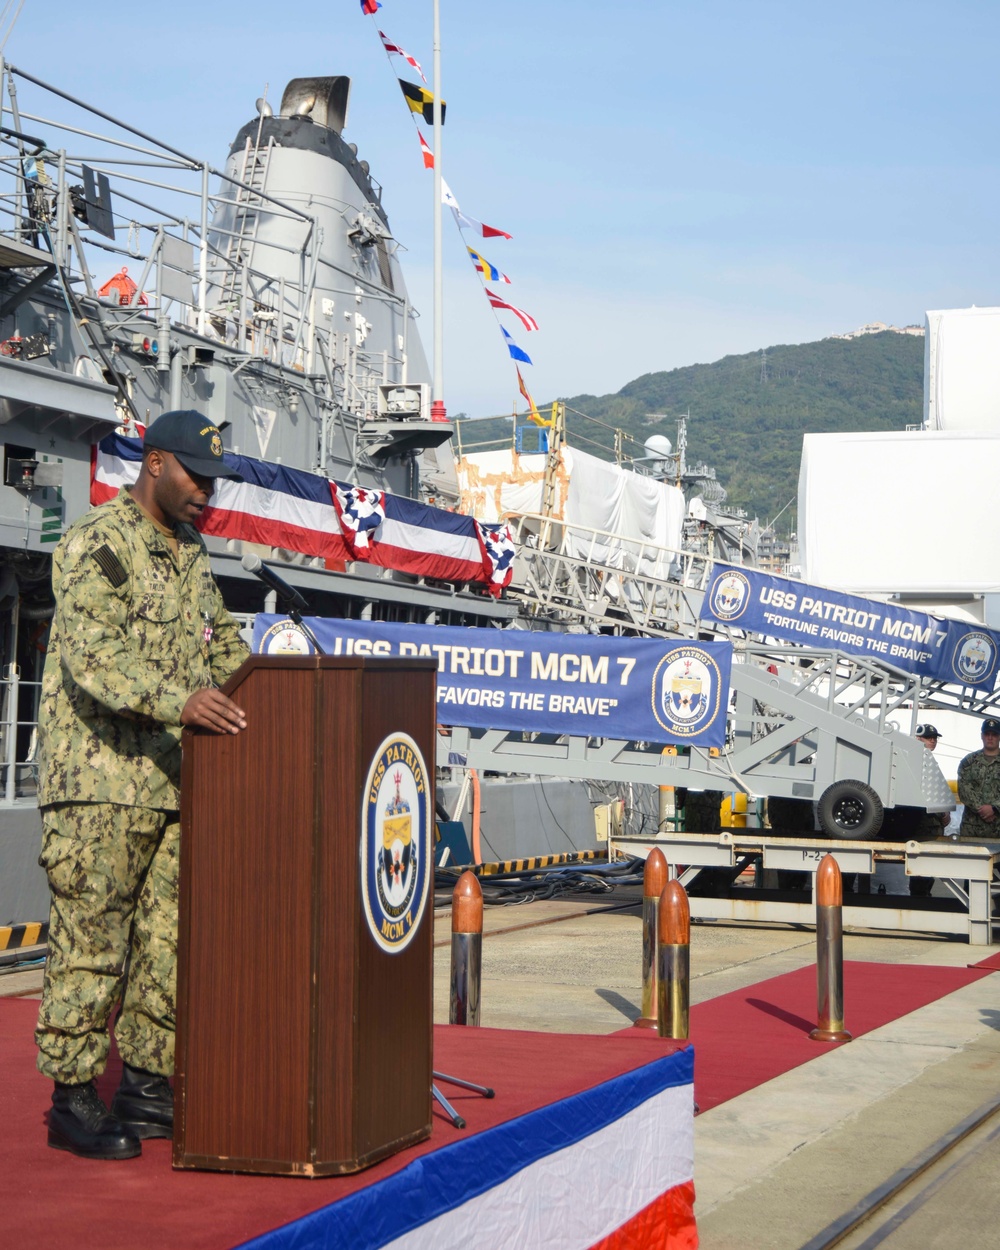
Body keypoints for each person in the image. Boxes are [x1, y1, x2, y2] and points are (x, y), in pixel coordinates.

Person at [34, 410, 250, 1160]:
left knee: (167, 945)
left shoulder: (191, 553)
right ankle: (72, 1098)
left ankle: (148, 1088)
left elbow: (223, 644)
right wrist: (180, 702)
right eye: (196, 475)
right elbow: (92, 654)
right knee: (93, 941)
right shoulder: (96, 540)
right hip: (98, 782)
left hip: (171, 783)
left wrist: (277, 693)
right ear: (154, 462)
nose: (207, 493)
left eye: (214, 480)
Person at [906, 723, 951, 897]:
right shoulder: (917, 761)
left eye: (934, 738)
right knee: (920, 869)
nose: (933, 741)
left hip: (932, 825)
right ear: (918, 739)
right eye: (928, 738)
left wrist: (945, 811)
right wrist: (942, 812)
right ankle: (919, 902)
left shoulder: (927, 760)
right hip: (921, 826)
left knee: (926, 871)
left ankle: (922, 899)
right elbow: (923, 791)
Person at [957, 718, 1000, 841]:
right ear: (982, 736)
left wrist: (995, 808)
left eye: (994, 734)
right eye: (987, 734)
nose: (990, 738)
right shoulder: (969, 761)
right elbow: (964, 790)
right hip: (972, 829)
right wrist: (982, 809)